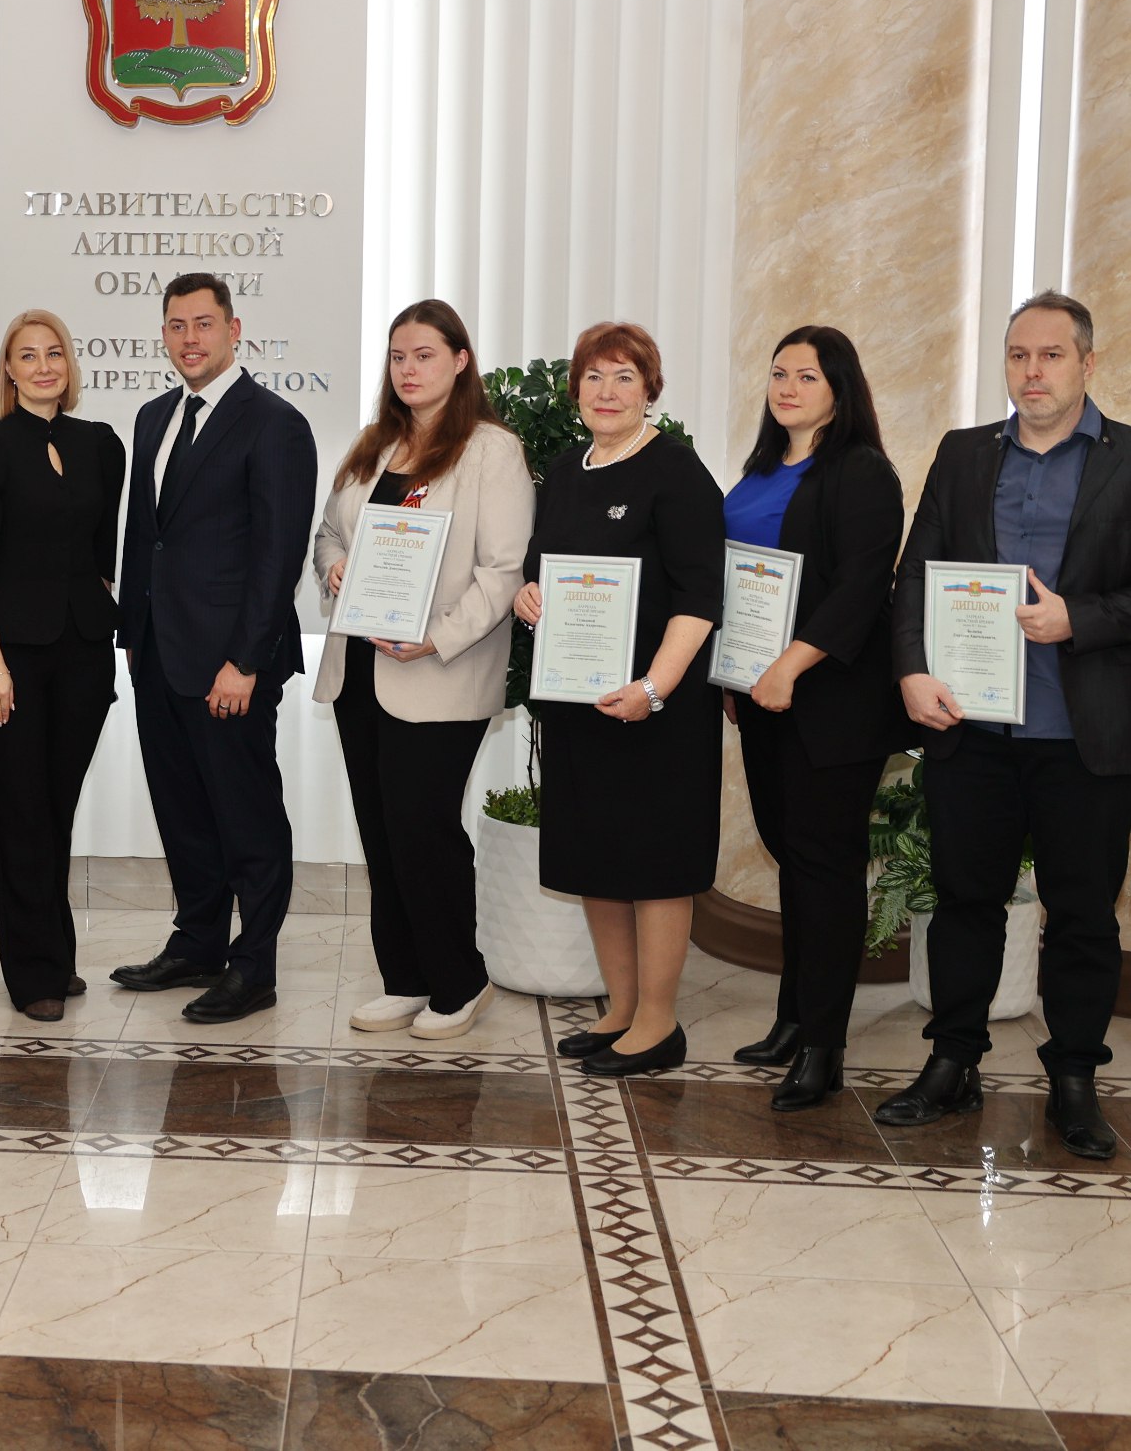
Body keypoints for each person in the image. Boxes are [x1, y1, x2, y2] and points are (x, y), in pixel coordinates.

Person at [879, 292, 1131, 1159]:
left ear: (1088, 364)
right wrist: (911, 670)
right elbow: (916, 573)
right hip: (972, 727)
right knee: (964, 903)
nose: (1033, 372)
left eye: (1052, 355)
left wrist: (1083, 618)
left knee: (1082, 915)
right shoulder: (961, 455)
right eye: (1019, 356)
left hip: (1085, 732)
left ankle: (1073, 1078)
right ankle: (952, 1061)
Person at [313, 301, 529, 1041]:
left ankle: (460, 981)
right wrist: (335, 566)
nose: (408, 369)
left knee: (423, 829)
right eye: (399, 356)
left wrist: (435, 639)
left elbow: (503, 571)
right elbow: (328, 534)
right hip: (360, 671)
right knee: (381, 832)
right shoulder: (375, 443)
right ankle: (404, 979)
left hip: (440, 672)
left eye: (425, 355)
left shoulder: (491, 451)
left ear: (461, 361)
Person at [515, 323, 722, 1076]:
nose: (607, 392)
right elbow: (541, 565)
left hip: (655, 710)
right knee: (597, 859)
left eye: (624, 377)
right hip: (581, 705)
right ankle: (623, 1009)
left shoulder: (677, 471)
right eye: (595, 377)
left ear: (649, 390)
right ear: (576, 388)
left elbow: (700, 598)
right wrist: (528, 595)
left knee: (655, 863)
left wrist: (654, 688)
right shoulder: (565, 470)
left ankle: (660, 1024)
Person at [111, 272, 317, 1025]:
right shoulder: (152, 418)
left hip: (231, 664)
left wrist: (246, 662)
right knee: (182, 810)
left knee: (246, 815)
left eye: (203, 324)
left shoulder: (276, 423)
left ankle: (253, 966)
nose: (190, 338)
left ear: (235, 330)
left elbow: (277, 555)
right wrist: (131, 635)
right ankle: (197, 942)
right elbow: (146, 536)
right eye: (176, 325)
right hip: (158, 656)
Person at [718, 326, 909, 1110]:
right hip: (760, 696)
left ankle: (825, 1048)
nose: (788, 387)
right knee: (793, 859)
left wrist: (789, 666)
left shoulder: (862, 472)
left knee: (826, 869)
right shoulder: (760, 470)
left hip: (830, 703)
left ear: (840, 388)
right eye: (779, 373)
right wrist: (734, 671)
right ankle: (793, 1020)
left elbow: (861, 587)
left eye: (807, 375)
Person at [0, 310, 124, 1021]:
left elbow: (104, 556)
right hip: (7, 655)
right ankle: (33, 974)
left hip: (84, 652)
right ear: (9, 371)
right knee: (21, 809)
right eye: (28, 355)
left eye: (55, 353)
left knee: (57, 808)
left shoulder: (101, 445)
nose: (44, 365)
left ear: (68, 365)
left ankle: (56, 952)